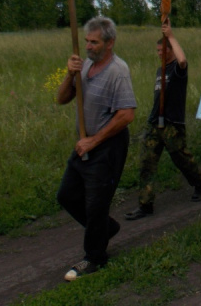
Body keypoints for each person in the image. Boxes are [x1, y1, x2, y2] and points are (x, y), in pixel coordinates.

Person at [55, 16, 137, 281]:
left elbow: (126, 115)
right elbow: (62, 99)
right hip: (85, 143)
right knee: (67, 195)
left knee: (96, 205)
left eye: (94, 42)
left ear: (110, 43)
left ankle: (94, 257)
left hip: (108, 147)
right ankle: (105, 228)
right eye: (87, 41)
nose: (88, 46)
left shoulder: (117, 71)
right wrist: (70, 74)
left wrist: (94, 140)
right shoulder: (85, 65)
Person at [125, 19, 201, 222]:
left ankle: (199, 182)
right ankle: (145, 204)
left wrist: (170, 35)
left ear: (170, 50)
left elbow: (183, 60)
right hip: (154, 123)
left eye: (164, 50)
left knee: (181, 158)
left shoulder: (177, 71)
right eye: (158, 51)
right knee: (147, 162)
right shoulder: (158, 71)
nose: (160, 54)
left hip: (172, 124)